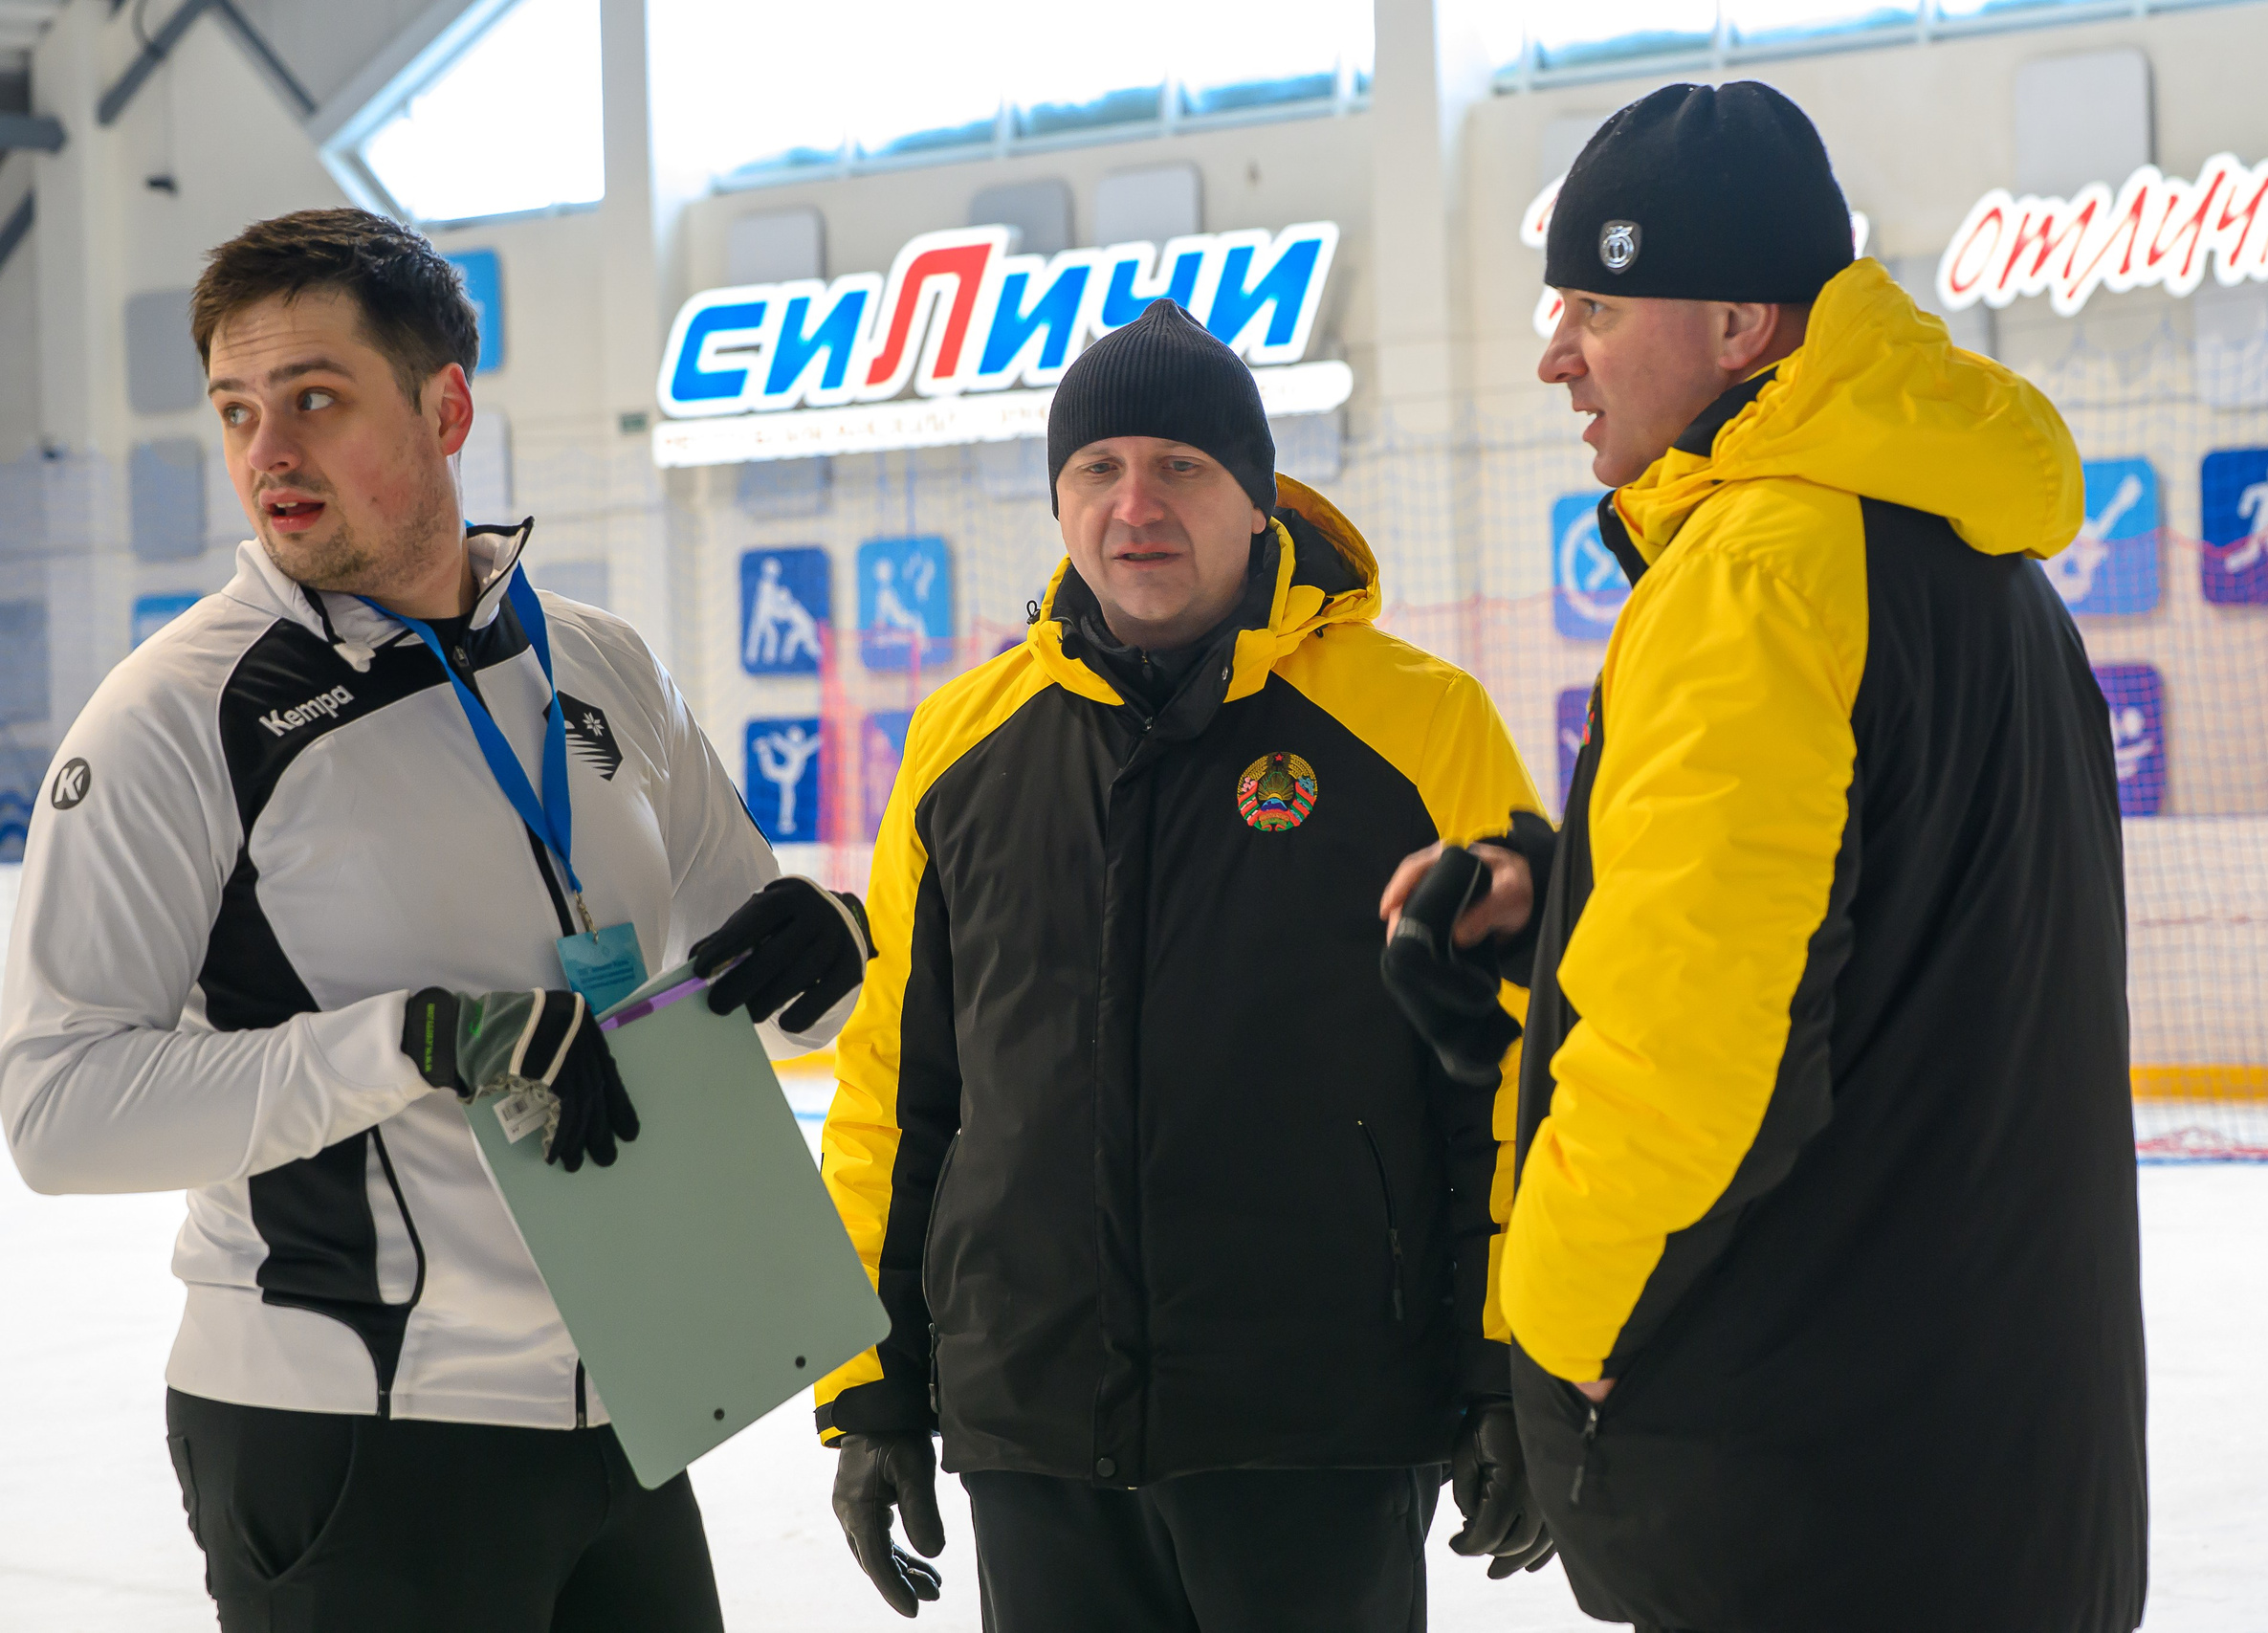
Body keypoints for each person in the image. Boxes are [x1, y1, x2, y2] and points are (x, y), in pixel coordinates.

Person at [0, 209, 872, 1633]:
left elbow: (765, 966)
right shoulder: (177, 720)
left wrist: (831, 937)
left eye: (317, 400)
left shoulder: (597, 661)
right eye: (237, 409)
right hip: (353, 1433)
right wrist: (410, 1042)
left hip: (631, 1395)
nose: (268, 452)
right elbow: (57, 1109)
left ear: (447, 404)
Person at [1383, 83, 2147, 1632]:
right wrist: (1561, 900)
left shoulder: (1763, 572)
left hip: (1812, 1490)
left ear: (1742, 325)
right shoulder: (1974, 564)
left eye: (1595, 303)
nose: (1555, 354)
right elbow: (1877, 946)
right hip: (1993, 1465)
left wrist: (1554, 1326)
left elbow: (1689, 1058)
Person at [813, 299, 1554, 1631]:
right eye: (1098, 469)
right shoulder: (960, 745)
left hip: (1316, 1418)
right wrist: (869, 1385)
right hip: (1033, 1419)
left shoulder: (1418, 728)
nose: (1135, 504)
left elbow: (1509, 1083)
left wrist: (1510, 1365)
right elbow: (895, 1090)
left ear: (1260, 502)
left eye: (1183, 467)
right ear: (1058, 502)